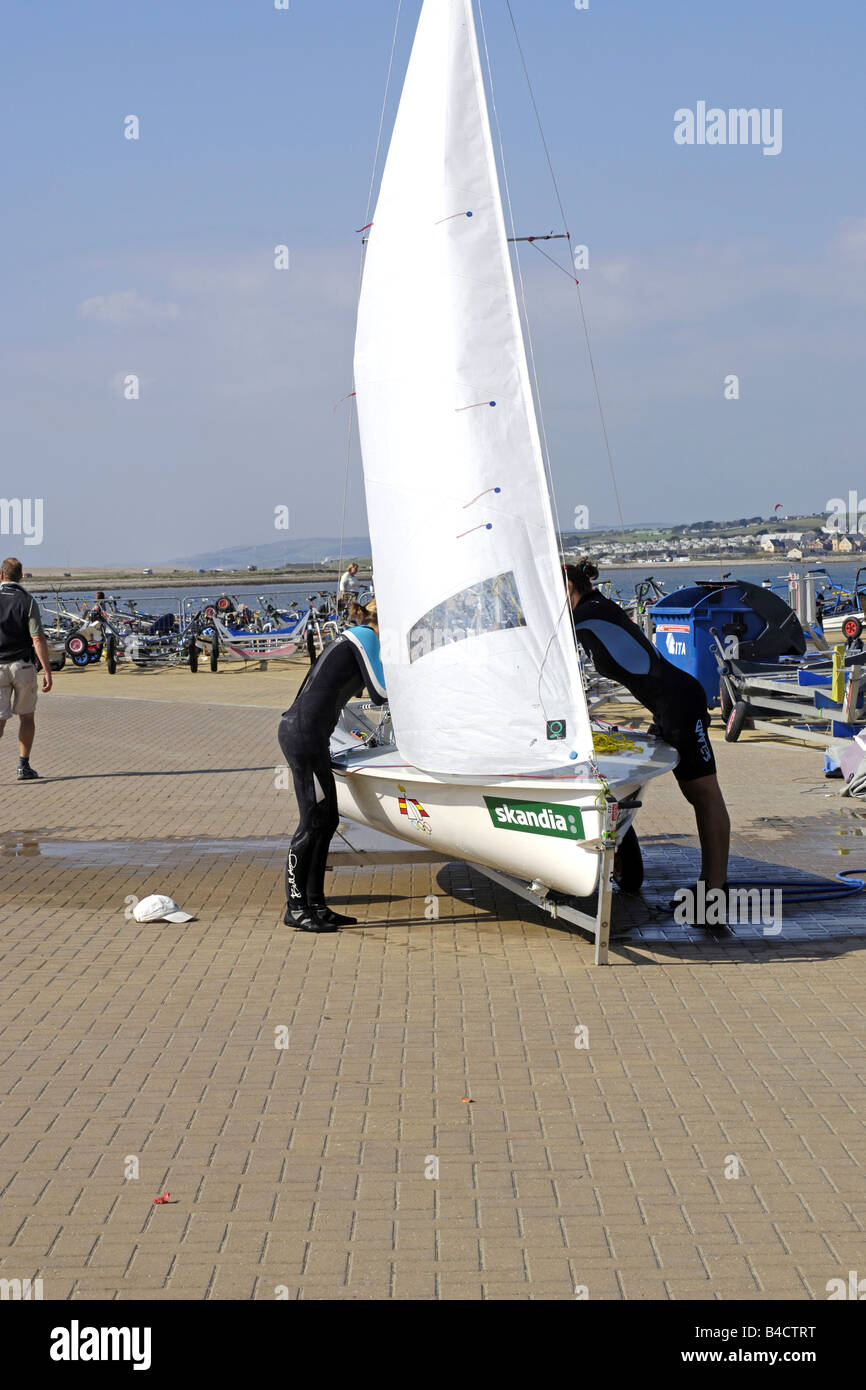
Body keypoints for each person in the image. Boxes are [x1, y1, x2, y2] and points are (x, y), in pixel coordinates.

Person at [564, 560, 730, 903]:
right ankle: (709, 883)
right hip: (667, 705)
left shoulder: (589, 612)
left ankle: (715, 890)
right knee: (695, 793)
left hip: (681, 703)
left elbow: (549, 638)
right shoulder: (595, 609)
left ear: (567, 586)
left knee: (703, 794)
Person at [277, 597, 386, 932]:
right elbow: (381, 692)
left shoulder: (356, 638)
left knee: (328, 820)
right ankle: (296, 907)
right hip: (303, 735)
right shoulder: (363, 636)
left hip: (310, 735)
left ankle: (316, 905)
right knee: (312, 822)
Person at [0, 557, 53, 781]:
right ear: (21, 576)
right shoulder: (27, 601)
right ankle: (24, 766)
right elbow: (38, 638)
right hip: (22, 665)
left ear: (1, 576)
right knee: (27, 717)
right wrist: (48, 671)